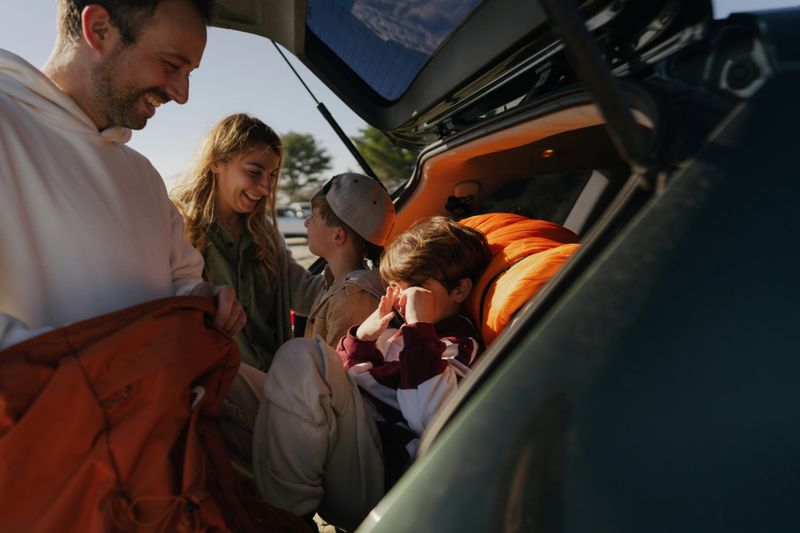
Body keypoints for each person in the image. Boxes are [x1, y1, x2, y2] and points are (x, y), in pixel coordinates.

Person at [0, 0, 245, 350]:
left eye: (188, 73)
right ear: (99, 29)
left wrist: (205, 298)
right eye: (172, 64)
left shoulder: (144, 174)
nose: (181, 94)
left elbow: (181, 279)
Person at [253, 216, 492, 530]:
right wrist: (364, 338)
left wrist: (420, 329)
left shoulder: (457, 344)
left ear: (460, 289)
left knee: (300, 354)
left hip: (383, 476)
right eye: (394, 287)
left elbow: (429, 418)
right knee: (238, 381)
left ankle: (287, 520)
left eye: (415, 289)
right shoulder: (400, 333)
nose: (400, 301)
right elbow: (350, 382)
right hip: (351, 447)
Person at [172, 113, 323, 372]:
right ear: (217, 161)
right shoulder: (178, 226)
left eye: (273, 175)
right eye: (255, 172)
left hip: (275, 383)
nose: (266, 188)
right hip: (217, 391)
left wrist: (353, 266)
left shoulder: (265, 233)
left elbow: (305, 296)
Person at [303, 172, 395, 348]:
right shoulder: (334, 283)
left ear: (338, 236)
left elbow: (337, 370)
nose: (306, 223)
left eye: (313, 217)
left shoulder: (353, 300)